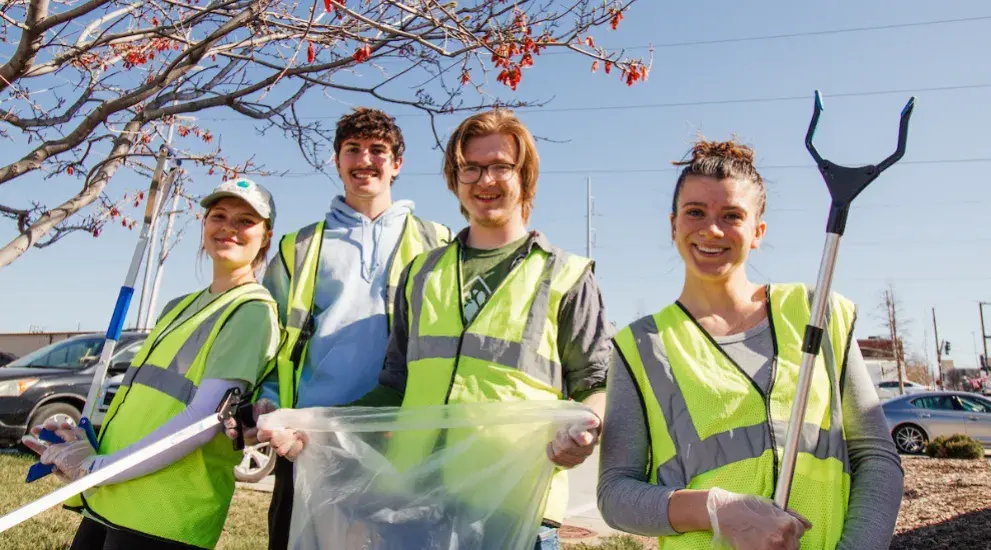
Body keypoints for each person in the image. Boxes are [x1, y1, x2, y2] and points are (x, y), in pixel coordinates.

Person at [269, 107, 613, 549]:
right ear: (455, 178)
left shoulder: (567, 276)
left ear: (524, 176)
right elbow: (394, 387)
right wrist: (315, 425)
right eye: (470, 168)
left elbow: (597, 384)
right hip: (414, 506)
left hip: (514, 509)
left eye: (500, 167)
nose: (485, 180)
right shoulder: (421, 274)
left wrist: (586, 430)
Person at [596, 138, 904, 549]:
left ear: (757, 231)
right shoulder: (639, 347)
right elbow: (616, 494)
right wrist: (716, 509)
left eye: (732, 215)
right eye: (695, 212)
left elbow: (877, 459)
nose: (711, 229)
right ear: (673, 225)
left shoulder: (817, 312)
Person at [23, 178, 281, 550]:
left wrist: (101, 468)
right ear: (204, 224)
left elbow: (203, 420)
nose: (228, 227)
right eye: (218, 216)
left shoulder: (251, 311)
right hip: (112, 497)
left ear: (266, 237)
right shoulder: (177, 306)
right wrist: (87, 443)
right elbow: (146, 403)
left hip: (164, 512)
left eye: (245, 221)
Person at [242, 106, 453, 550]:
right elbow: (274, 336)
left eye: (378, 150)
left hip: (402, 435)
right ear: (336, 160)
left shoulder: (439, 241)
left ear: (397, 164)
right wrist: (270, 402)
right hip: (308, 437)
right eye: (352, 149)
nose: (365, 160)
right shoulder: (299, 246)